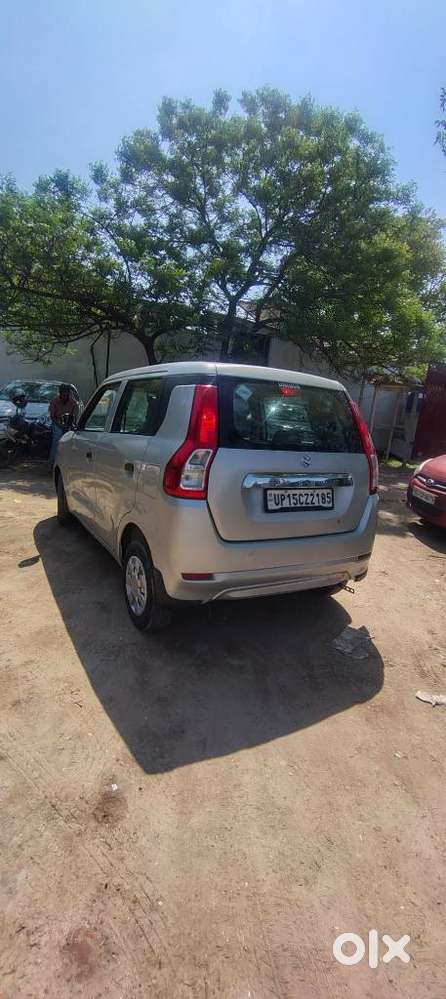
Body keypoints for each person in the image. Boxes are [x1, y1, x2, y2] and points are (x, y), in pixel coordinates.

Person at [48, 383, 77, 466]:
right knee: (58, 437)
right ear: (60, 393)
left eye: (66, 393)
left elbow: (74, 416)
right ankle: (52, 460)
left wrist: (69, 426)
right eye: (63, 393)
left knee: (71, 439)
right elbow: (52, 416)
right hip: (57, 423)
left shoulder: (73, 403)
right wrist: (59, 425)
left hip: (68, 423)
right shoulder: (54, 401)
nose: (65, 395)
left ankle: (69, 460)